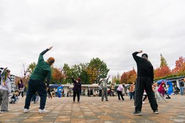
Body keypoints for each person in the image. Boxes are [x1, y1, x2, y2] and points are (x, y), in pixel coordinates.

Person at [24, 46, 55, 113]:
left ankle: (26, 108)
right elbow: (48, 79)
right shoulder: (49, 69)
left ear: (47, 60)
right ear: (52, 63)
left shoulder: (41, 61)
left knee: (29, 94)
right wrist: (47, 86)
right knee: (43, 94)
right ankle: (41, 109)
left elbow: (41, 54)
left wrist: (47, 49)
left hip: (31, 79)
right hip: (39, 81)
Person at [132, 50, 158, 116]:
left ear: (142, 57)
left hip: (140, 78)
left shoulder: (139, 60)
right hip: (148, 80)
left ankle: (138, 110)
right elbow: (152, 75)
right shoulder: (150, 64)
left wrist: (138, 51)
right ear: (147, 58)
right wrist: (151, 82)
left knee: (139, 94)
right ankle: (155, 109)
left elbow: (133, 54)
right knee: (151, 94)